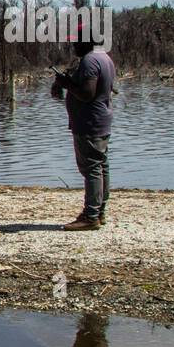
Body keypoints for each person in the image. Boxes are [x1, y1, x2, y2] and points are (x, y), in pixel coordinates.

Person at [51, 35, 115, 231]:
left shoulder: (90, 60)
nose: (74, 45)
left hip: (89, 122)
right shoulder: (104, 57)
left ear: (88, 41)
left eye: (77, 42)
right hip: (100, 120)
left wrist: (65, 83)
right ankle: (99, 211)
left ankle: (90, 216)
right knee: (100, 166)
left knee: (92, 168)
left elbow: (87, 93)